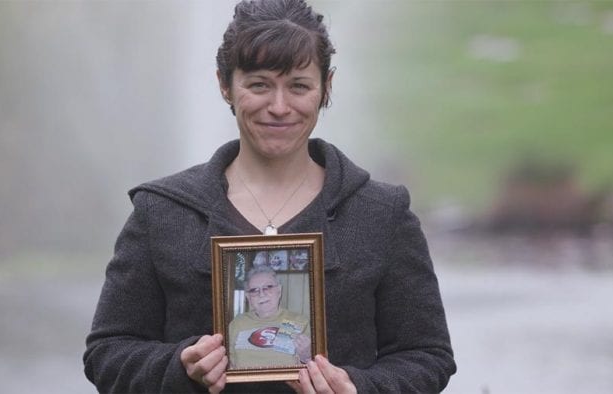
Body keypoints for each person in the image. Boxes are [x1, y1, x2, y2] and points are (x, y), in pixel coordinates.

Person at [83, 0, 456, 392]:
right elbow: (107, 353)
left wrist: (359, 389)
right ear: (224, 84)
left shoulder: (382, 213)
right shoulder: (159, 211)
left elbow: (427, 356)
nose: (279, 107)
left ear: (326, 87)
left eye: (298, 86)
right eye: (259, 84)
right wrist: (179, 366)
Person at [228, 266, 311, 368]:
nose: (262, 294)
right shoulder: (237, 323)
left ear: (279, 291)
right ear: (248, 297)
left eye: (268, 287)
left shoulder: (300, 321)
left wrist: (306, 357)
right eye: (254, 290)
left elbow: (314, 365)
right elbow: (226, 363)